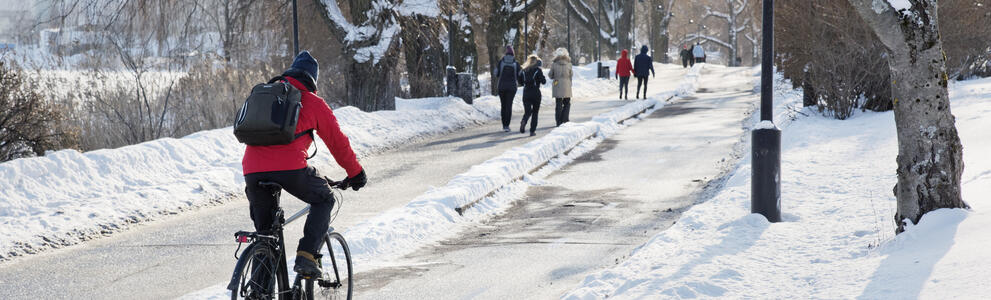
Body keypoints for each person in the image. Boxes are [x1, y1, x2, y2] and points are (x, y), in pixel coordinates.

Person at [241, 51, 367, 277]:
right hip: (290, 169)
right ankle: (307, 256)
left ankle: (259, 289)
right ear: (312, 80)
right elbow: (338, 143)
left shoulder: (267, 95)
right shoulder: (313, 102)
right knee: (325, 199)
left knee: (265, 235)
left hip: (252, 170)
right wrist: (355, 173)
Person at [494, 46, 522, 132]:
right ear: (513, 53)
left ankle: (504, 125)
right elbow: (519, 75)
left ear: (506, 53)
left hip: (501, 86)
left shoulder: (501, 62)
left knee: (503, 105)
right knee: (509, 106)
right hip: (512, 87)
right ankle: (507, 125)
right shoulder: (516, 63)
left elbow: (496, 73)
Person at [519, 55, 546, 136]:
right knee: (535, 112)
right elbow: (543, 81)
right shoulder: (538, 70)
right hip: (535, 93)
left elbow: (520, 82)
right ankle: (532, 131)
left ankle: (524, 121)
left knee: (527, 111)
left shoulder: (524, 70)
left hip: (526, 93)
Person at [547, 48, 573, 127]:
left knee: (558, 103)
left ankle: (558, 121)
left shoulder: (554, 64)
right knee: (567, 103)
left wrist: (555, 76)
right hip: (567, 85)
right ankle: (565, 119)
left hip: (557, 84)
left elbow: (550, 75)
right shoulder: (569, 64)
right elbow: (571, 74)